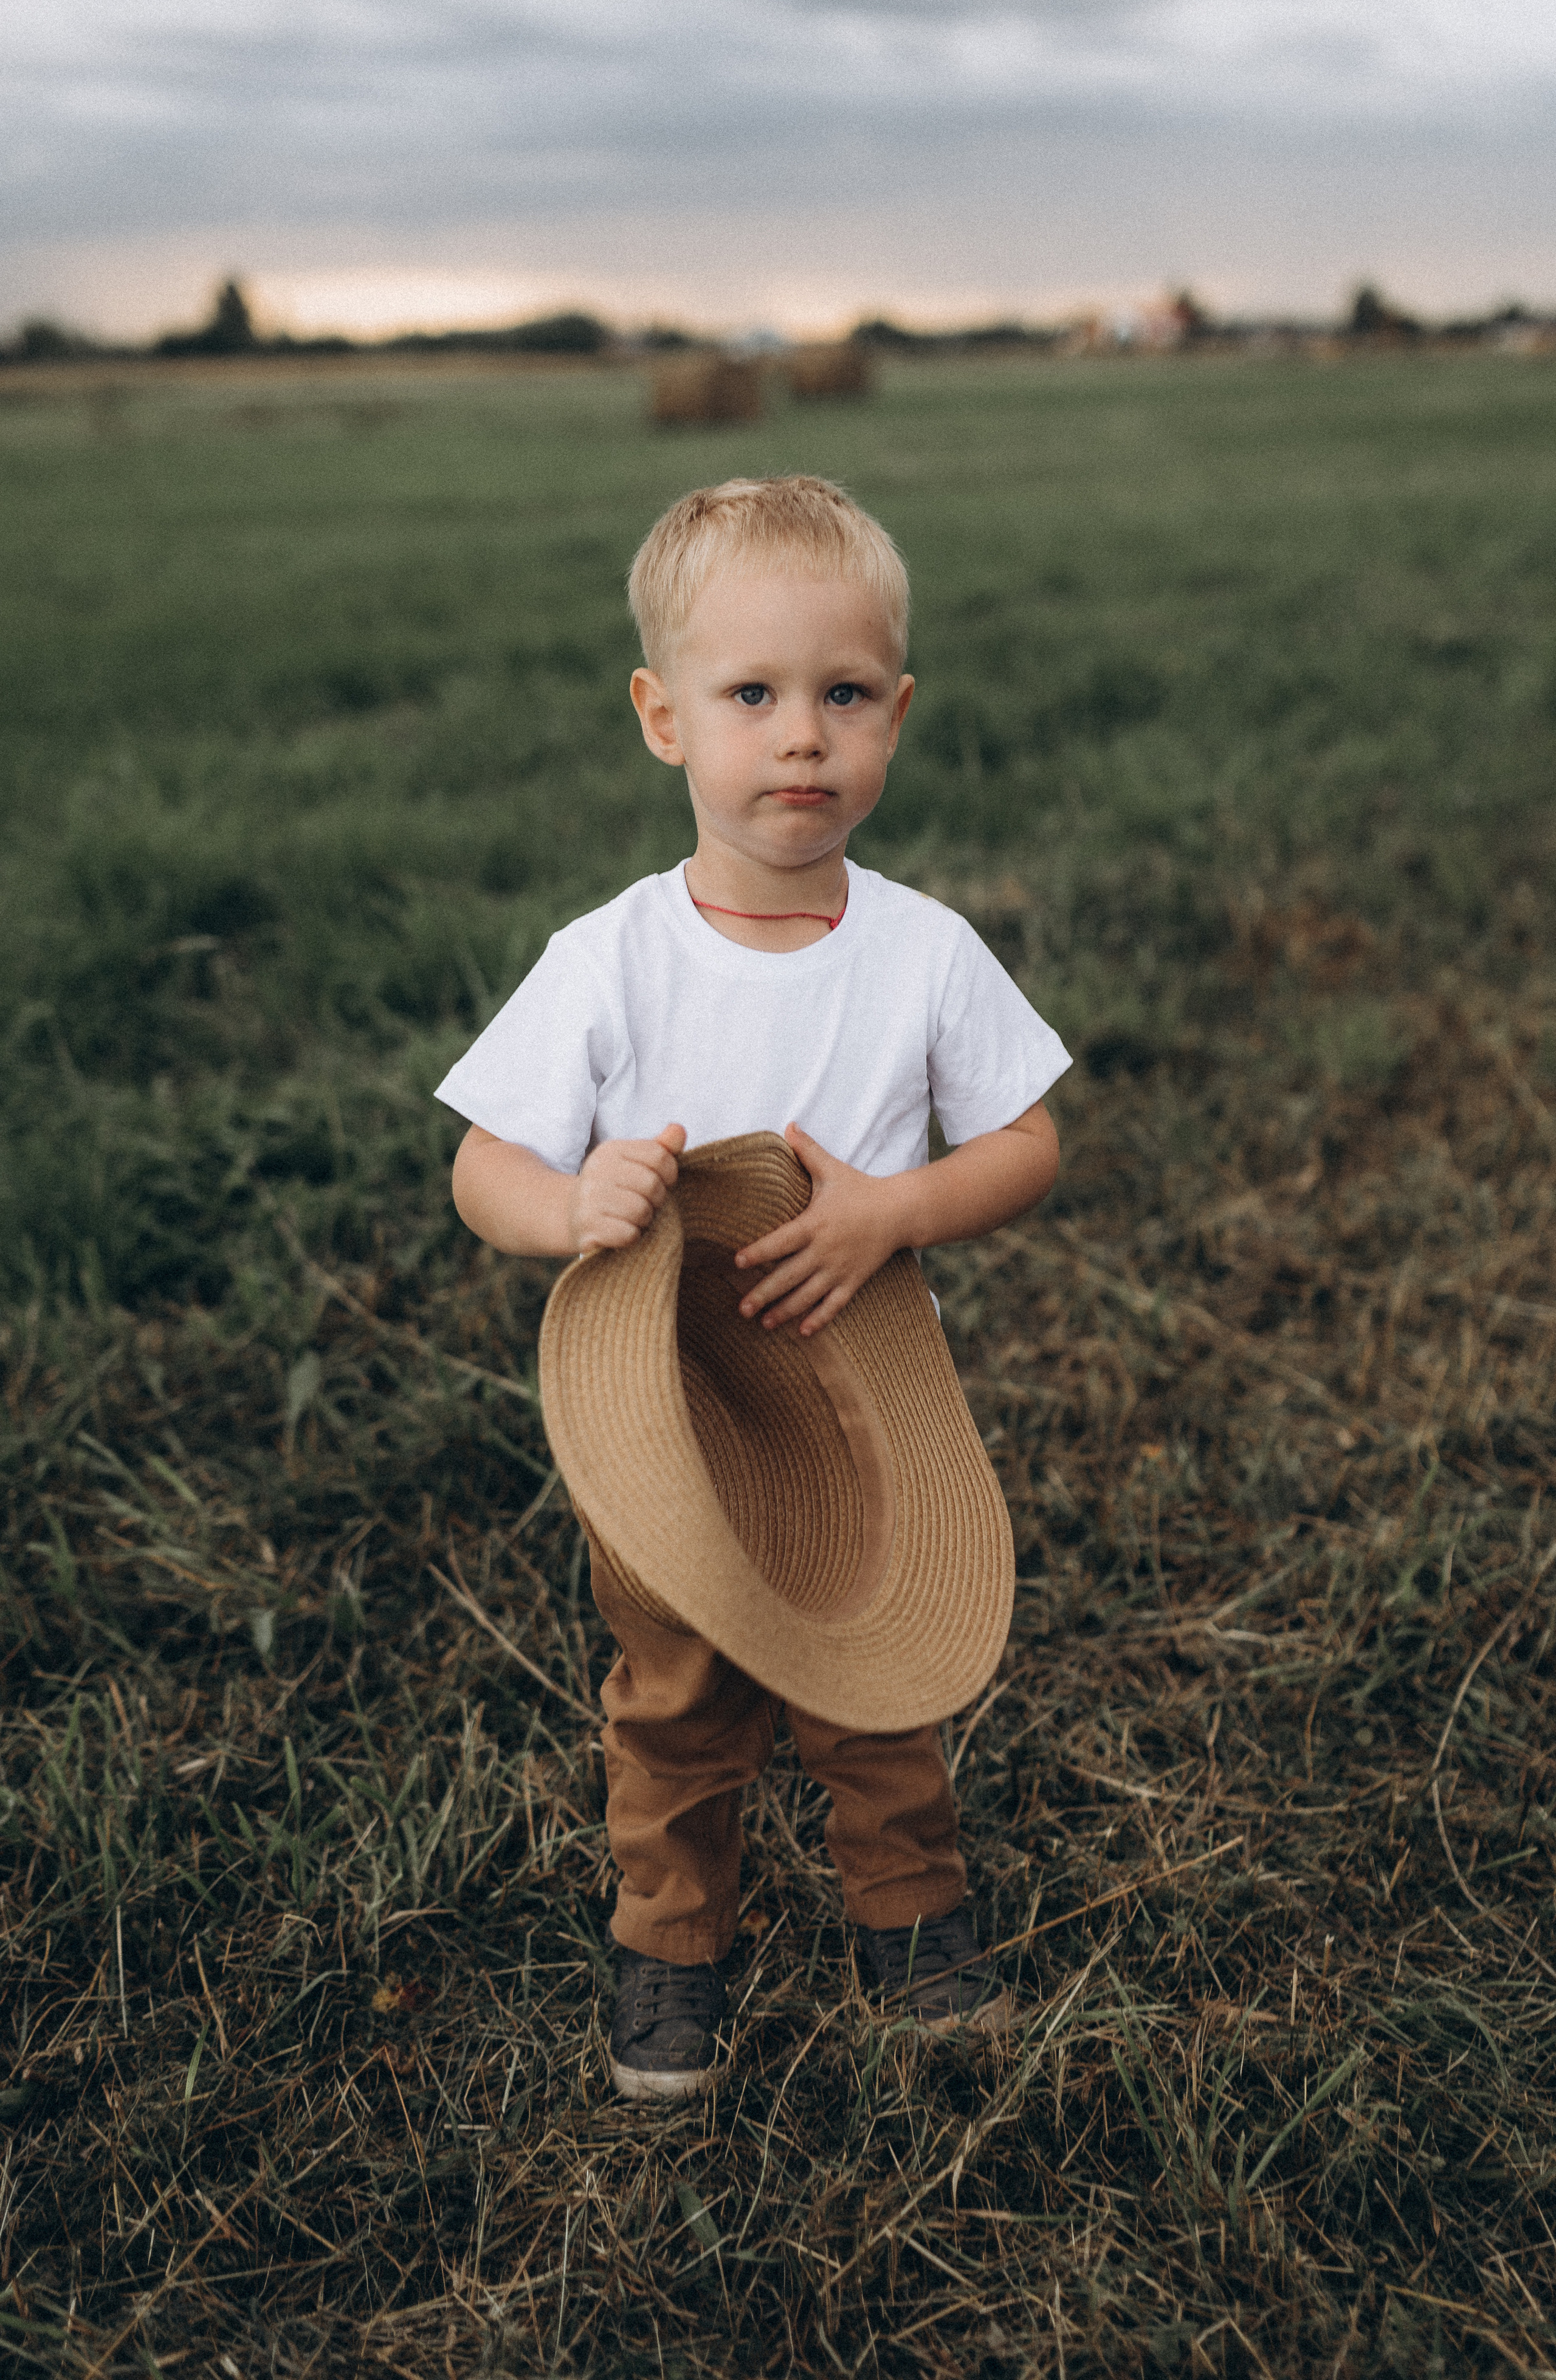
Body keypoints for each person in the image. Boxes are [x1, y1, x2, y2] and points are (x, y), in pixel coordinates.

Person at [437, 475, 1071, 2100]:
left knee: (881, 1669)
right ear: (663, 720)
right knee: (677, 1687)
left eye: (844, 695)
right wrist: (572, 1197)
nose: (803, 737)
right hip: (668, 1398)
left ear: (899, 718)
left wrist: (897, 1208)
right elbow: (480, 1167)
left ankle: (913, 1905)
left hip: (854, 1384)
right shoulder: (614, 957)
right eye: (753, 695)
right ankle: (671, 1930)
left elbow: (1031, 1144)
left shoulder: (920, 949)